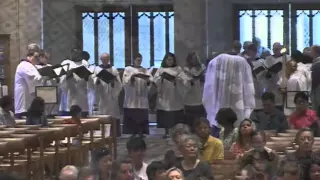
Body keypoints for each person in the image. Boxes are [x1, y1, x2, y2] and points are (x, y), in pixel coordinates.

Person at [203, 52, 255, 133]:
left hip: (219, 109)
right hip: (238, 109)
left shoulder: (214, 62)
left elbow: (209, 89)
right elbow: (248, 89)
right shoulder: (242, 62)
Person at [154, 53, 187, 138]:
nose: (169, 61)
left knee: (175, 114)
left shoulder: (178, 69)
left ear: (174, 60)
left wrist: (176, 80)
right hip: (164, 94)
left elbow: (184, 79)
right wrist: (161, 78)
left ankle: (176, 132)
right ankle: (166, 132)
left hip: (175, 94)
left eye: (171, 59)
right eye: (168, 59)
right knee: (165, 114)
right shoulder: (161, 69)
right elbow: (155, 80)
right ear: (165, 60)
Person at [122, 53, 153, 137]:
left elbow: (150, 80)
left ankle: (141, 132)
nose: (139, 62)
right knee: (132, 114)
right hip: (132, 96)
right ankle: (132, 132)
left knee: (141, 115)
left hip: (142, 96)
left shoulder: (145, 70)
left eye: (140, 60)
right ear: (134, 60)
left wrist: (147, 81)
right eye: (137, 60)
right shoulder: (128, 69)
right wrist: (132, 78)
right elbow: (125, 82)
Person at [94, 53, 122, 135]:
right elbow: (93, 81)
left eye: (106, 59)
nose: (105, 60)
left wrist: (114, 83)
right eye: (103, 59)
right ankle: (102, 133)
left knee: (113, 113)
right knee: (102, 112)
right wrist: (97, 81)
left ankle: (114, 133)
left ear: (109, 59)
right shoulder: (97, 69)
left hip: (111, 96)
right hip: (102, 95)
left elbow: (119, 83)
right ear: (100, 59)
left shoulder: (113, 69)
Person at [14, 43, 44, 118]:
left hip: (30, 103)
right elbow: (35, 79)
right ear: (31, 56)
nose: (38, 59)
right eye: (36, 57)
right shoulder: (24, 65)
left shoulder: (33, 66)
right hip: (24, 105)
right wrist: (46, 76)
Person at [59, 48, 92, 117]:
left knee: (82, 113)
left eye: (78, 53)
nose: (76, 55)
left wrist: (86, 77)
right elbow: (61, 78)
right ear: (71, 54)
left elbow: (89, 78)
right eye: (74, 53)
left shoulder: (84, 63)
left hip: (81, 93)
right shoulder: (65, 63)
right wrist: (68, 76)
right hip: (69, 92)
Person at [183, 52, 206, 129]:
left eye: (196, 58)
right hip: (190, 95)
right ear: (189, 60)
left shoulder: (202, 67)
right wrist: (191, 80)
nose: (195, 60)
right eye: (193, 59)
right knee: (190, 119)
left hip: (200, 94)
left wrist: (202, 77)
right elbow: (184, 81)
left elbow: (206, 78)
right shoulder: (186, 69)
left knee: (199, 118)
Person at [264, 42, 289, 112]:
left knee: (281, 103)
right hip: (271, 83)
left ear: (281, 49)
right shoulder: (268, 58)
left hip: (282, 83)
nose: (276, 51)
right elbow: (265, 69)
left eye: (277, 49)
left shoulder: (286, 57)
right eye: (274, 49)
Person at [35, 50, 58, 117]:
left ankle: (51, 114)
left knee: (51, 107)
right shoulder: (35, 67)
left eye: (47, 58)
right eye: (45, 57)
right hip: (42, 89)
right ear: (40, 57)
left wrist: (55, 77)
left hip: (51, 88)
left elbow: (55, 78)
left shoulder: (50, 66)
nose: (46, 59)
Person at [311, 45, 320, 110]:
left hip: (317, 87)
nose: (310, 53)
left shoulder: (318, 63)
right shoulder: (315, 62)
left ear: (315, 52)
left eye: (311, 51)